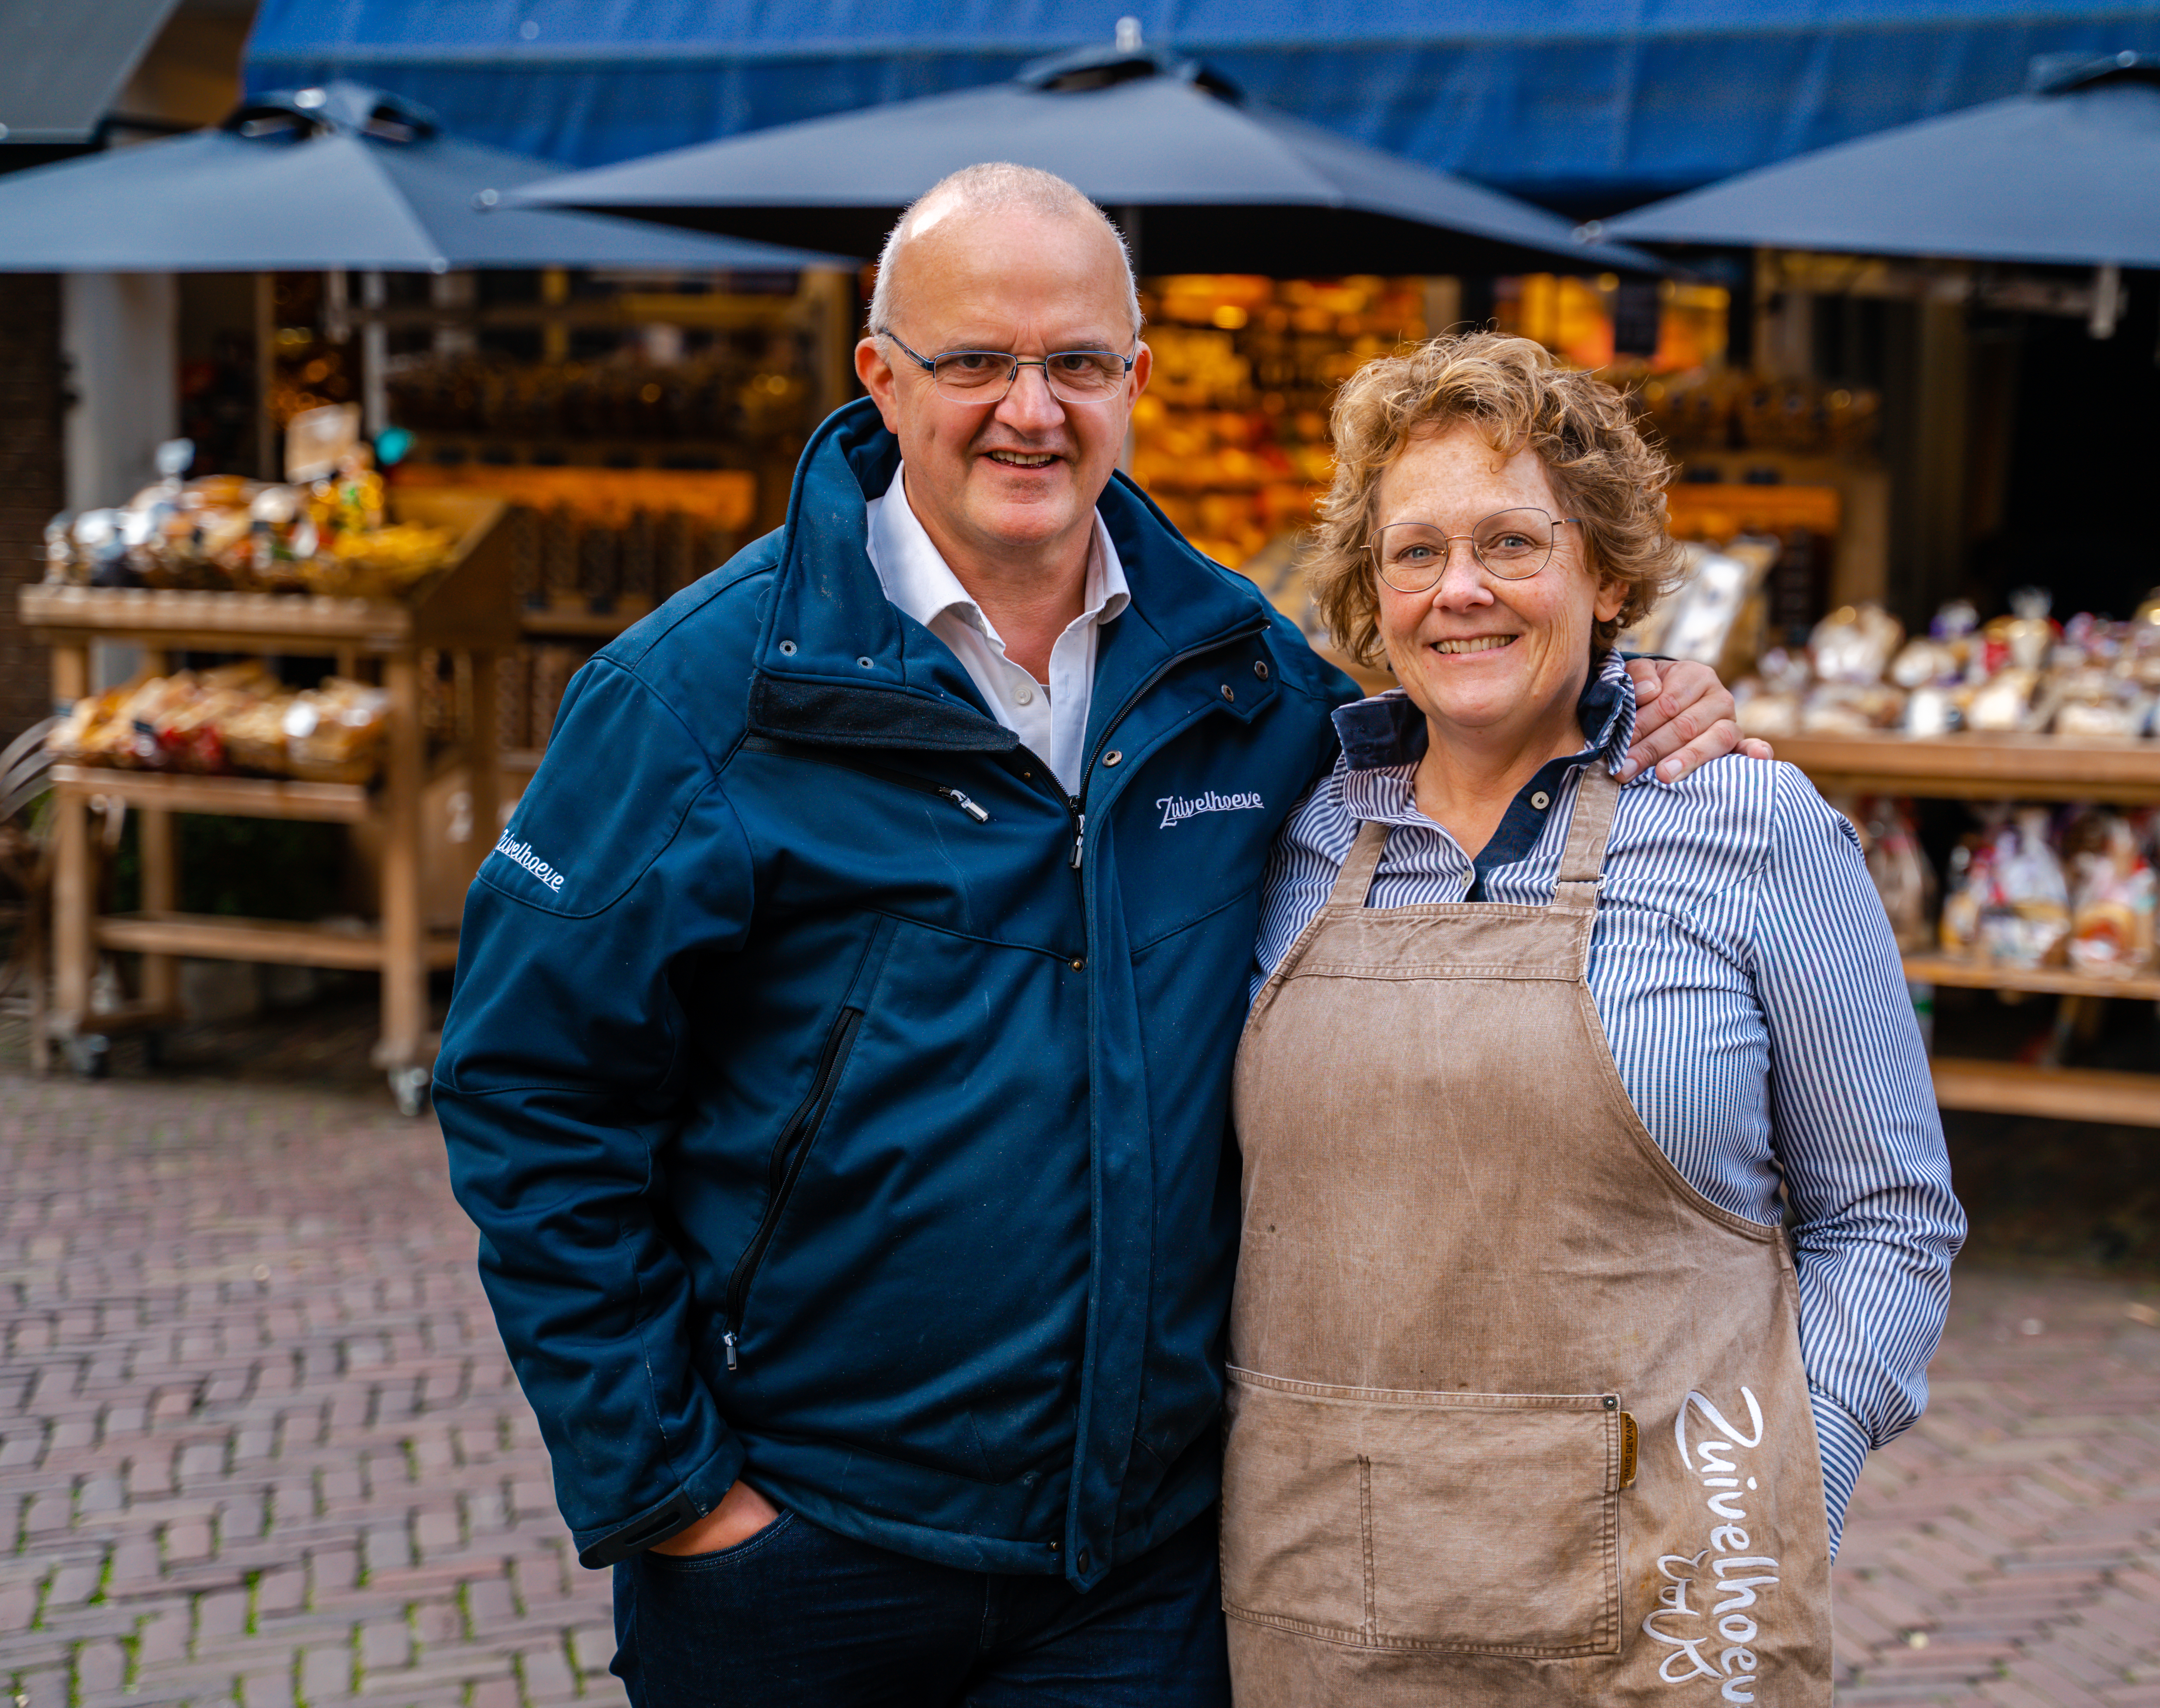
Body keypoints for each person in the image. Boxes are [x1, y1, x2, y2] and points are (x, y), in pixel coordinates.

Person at [433, 165, 1749, 1707]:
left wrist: (1632, 696)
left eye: (1073, 363)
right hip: (804, 1559)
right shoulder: (698, 701)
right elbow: (529, 1093)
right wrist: (675, 1494)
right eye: (975, 361)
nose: (1028, 410)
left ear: (1137, 377)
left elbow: (1464, 733)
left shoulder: (1243, 683)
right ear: (881, 378)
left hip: (1133, 1576)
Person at [1225, 331, 1965, 1704]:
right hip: (1322, 1589)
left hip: (1668, 1597)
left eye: (1513, 544)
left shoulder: (1747, 822)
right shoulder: (1285, 832)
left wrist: (1783, 1475)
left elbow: (1890, 1216)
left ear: (1607, 572)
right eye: (1416, 553)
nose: (1462, 593)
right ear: (1370, 597)